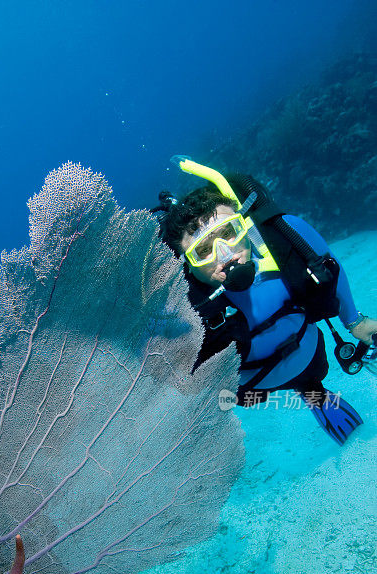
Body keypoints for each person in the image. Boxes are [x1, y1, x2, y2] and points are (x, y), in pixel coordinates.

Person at [154, 159, 377, 444]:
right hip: (250, 389)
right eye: (204, 250)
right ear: (188, 265)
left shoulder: (288, 237)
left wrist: (354, 321)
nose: (226, 254)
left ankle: (313, 393)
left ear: (245, 225)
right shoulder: (182, 307)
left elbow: (330, 266)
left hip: (308, 356)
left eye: (228, 233)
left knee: (311, 378)